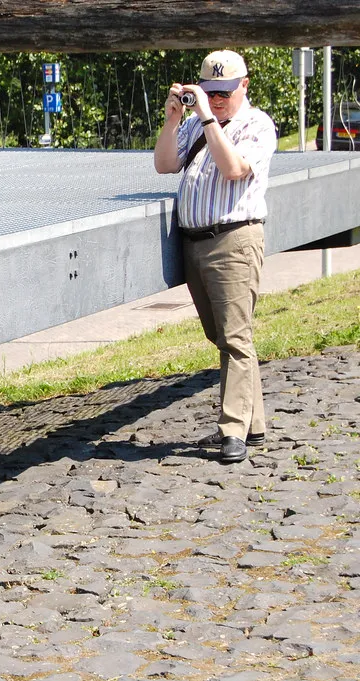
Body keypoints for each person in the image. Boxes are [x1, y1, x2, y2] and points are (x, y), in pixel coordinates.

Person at [153, 50, 277, 464]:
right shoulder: (193, 124)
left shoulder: (256, 125)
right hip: (195, 244)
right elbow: (164, 164)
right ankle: (252, 423)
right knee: (222, 336)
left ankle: (233, 431)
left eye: (224, 91)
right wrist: (174, 120)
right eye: (208, 91)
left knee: (236, 338)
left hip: (234, 241)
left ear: (244, 85)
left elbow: (233, 170)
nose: (217, 99)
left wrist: (208, 118)